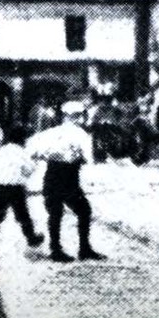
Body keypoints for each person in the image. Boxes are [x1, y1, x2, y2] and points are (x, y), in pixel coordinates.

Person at [28, 100, 104, 261]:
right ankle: (84, 249)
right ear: (79, 116)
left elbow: (33, 152)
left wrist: (51, 155)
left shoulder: (49, 133)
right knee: (84, 211)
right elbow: (88, 159)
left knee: (54, 214)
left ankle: (55, 250)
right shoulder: (82, 135)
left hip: (51, 175)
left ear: (63, 116)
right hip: (70, 177)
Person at [0, 121, 44, 258]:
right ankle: (31, 238)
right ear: (22, 138)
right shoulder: (21, 152)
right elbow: (29, 170)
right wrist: (34, 163)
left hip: (0, 188)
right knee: (23, 216)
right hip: (15, 188)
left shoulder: (1, 151)